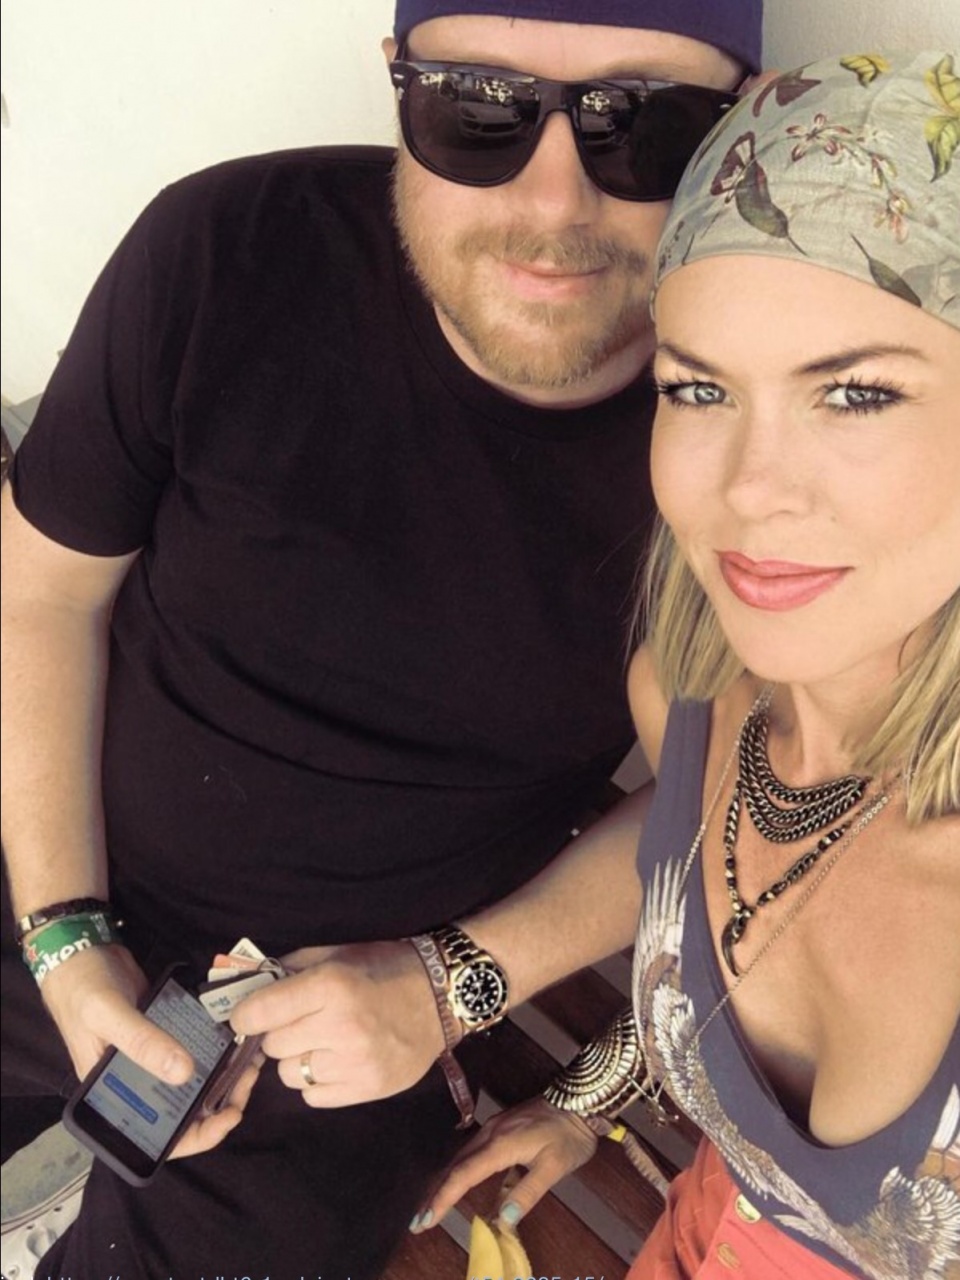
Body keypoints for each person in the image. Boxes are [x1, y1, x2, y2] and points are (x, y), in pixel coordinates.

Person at [0, 2, 763, 1276]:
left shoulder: (760, 422)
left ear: (744, 122)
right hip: (47, 852)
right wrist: (67, 936)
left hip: (367, 1011)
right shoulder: (229, 246)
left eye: (647, 124)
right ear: (398, 87)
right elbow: (42, 595)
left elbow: (728, 799)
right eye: (480, 106)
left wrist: (448, 986)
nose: (555, 199)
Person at [408, 49, 960, 1279]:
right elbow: (712, 946)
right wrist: (586, 1096)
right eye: (698, 389)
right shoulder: (692, 699)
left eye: (856, 395)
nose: (749, 489)